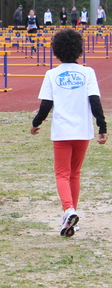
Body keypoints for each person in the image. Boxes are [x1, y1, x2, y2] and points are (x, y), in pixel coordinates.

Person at [30, 28, 107, 237]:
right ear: (79, 50)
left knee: (62, 174)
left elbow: (46, 105)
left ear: (56, 51)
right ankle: (71, 219)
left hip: (62, 131)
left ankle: (68, 210)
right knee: (75, 174)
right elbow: (95, 101)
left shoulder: (52, 74)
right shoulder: (88, 72)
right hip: (83, 130)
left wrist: (36, 123)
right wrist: (103, 127)